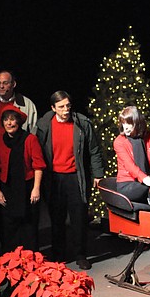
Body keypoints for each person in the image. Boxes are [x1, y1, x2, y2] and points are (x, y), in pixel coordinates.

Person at [35, 91, 104, 270]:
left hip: (75, 177)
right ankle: (58, 254)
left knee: (79, 217)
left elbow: (94, 150)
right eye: (61, 107)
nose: (65, 110)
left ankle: (80, 254)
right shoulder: (44, 125)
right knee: (57, 218)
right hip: (54, 178)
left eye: (67, 105)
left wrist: (98, 174)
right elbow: (37, 151)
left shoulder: (81, 123)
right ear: (53, 108)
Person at [0, 105, 46, 252]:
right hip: (8, 189)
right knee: (10, 228)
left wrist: (36, 188)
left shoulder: (30, 139)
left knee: (29, 226)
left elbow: (38, 166)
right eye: (6, 120)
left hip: (27, 188)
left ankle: (31, 261)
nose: (9, 123)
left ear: (19, 122)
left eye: (12, 120)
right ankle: (12, 262)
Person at [113, 106, 150, 202]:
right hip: (128, 184)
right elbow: (130, 166)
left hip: (148, 179)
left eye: (129, 123)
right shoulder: (119, 141)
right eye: (123, 123)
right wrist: (147, 180)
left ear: (137, 123)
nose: (125, 127)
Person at [0, 71, 39, 137]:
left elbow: (33, 132)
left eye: (5, 83)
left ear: (13, 84)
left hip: (19, 147)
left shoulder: (27, 105)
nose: (1, 86)